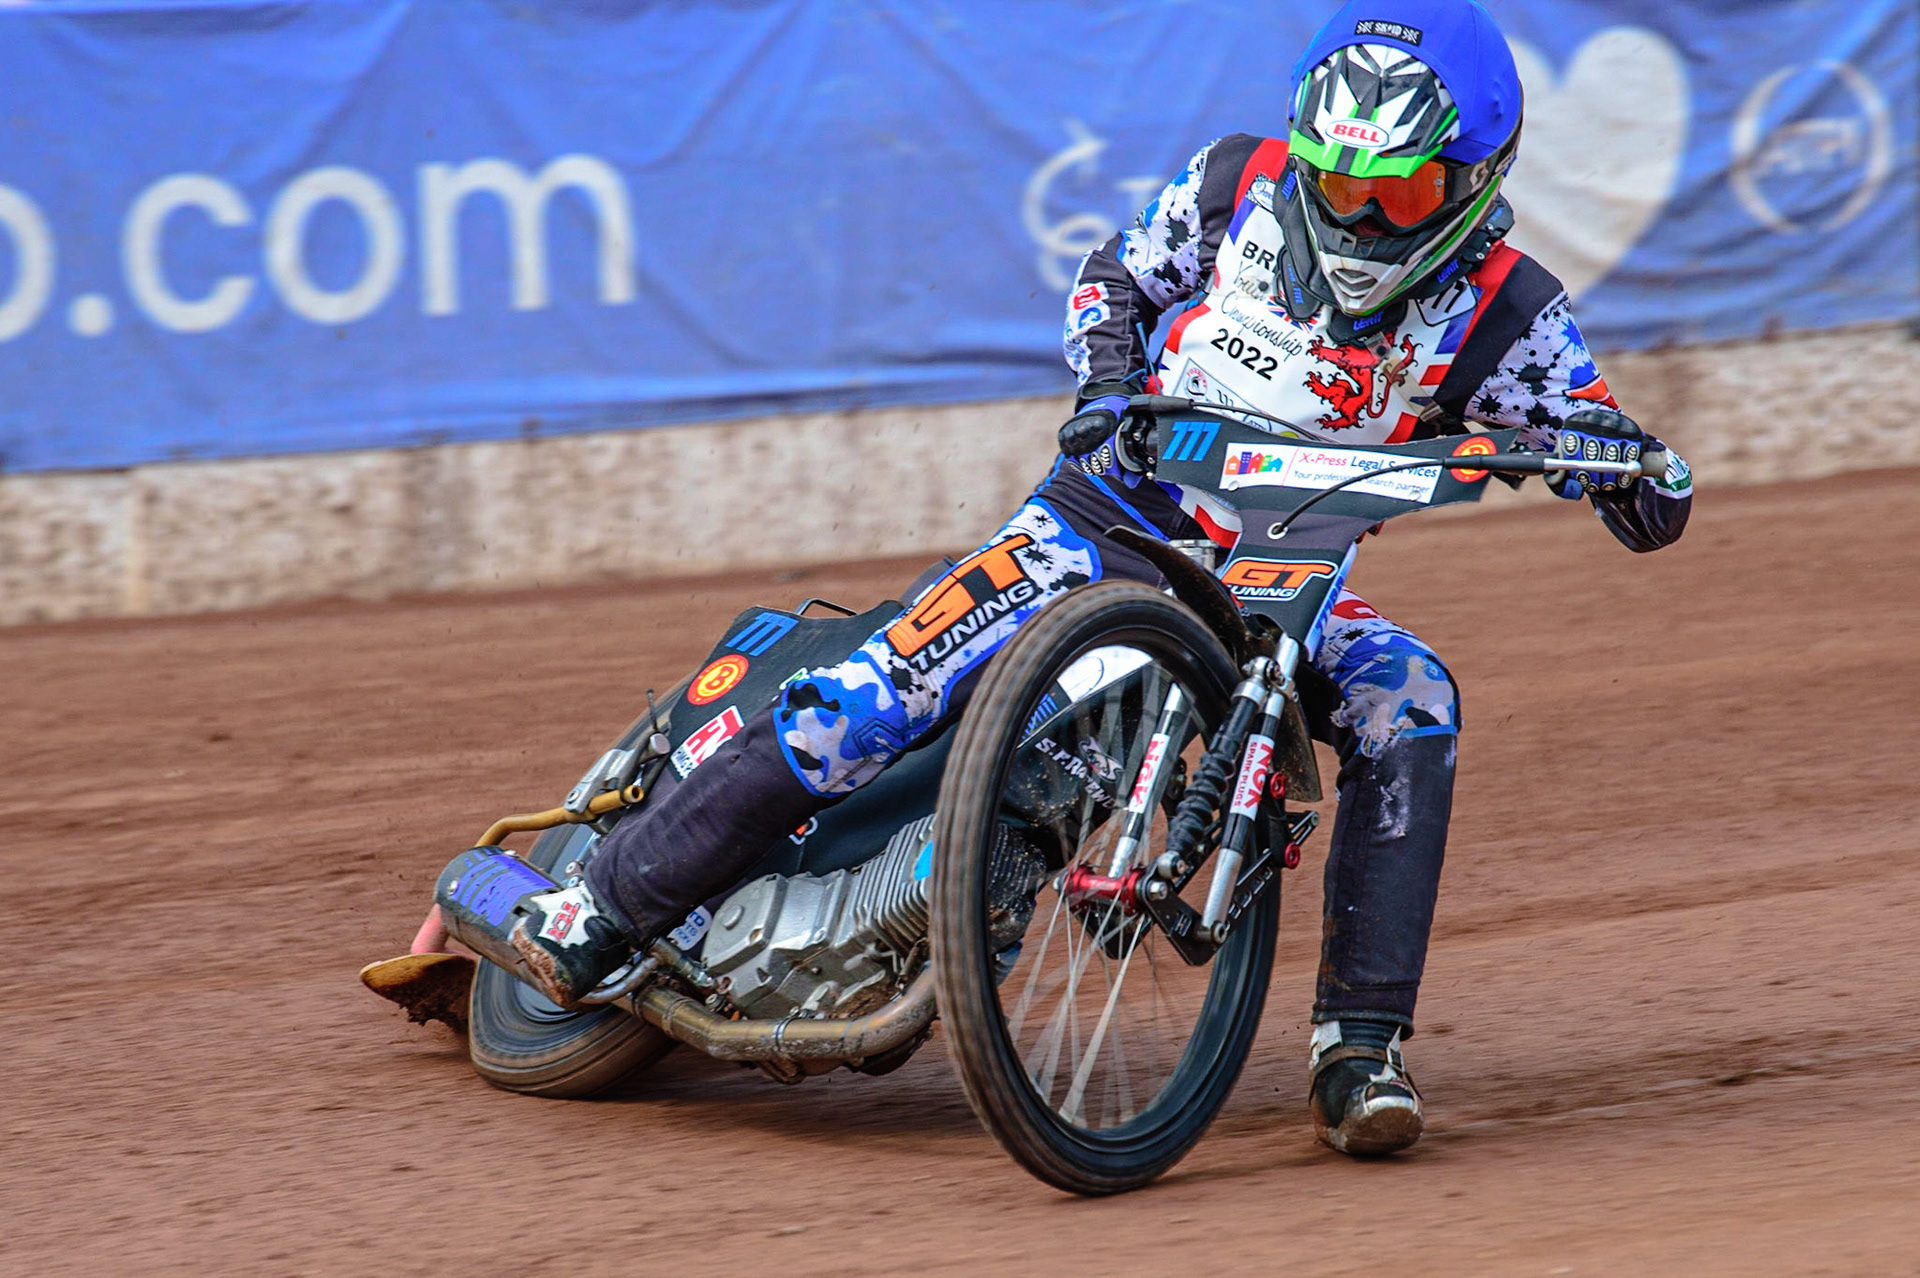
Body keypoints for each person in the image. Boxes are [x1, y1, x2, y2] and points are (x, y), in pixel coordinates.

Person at [502, 0, 1691, 1157]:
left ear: (1477, 177)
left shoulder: (1513, 311)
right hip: (1100, 518)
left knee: (1410, 698)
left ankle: (1360, 1048)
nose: (1365, 214)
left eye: (1402, 190)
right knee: (867, 697)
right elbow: (1112, 276)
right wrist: (1107, 389)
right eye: (1341, 181)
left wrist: (1639, 473)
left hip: (1288, 573)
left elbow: (1589, 431)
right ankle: (602, 908)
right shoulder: (1236, 184)